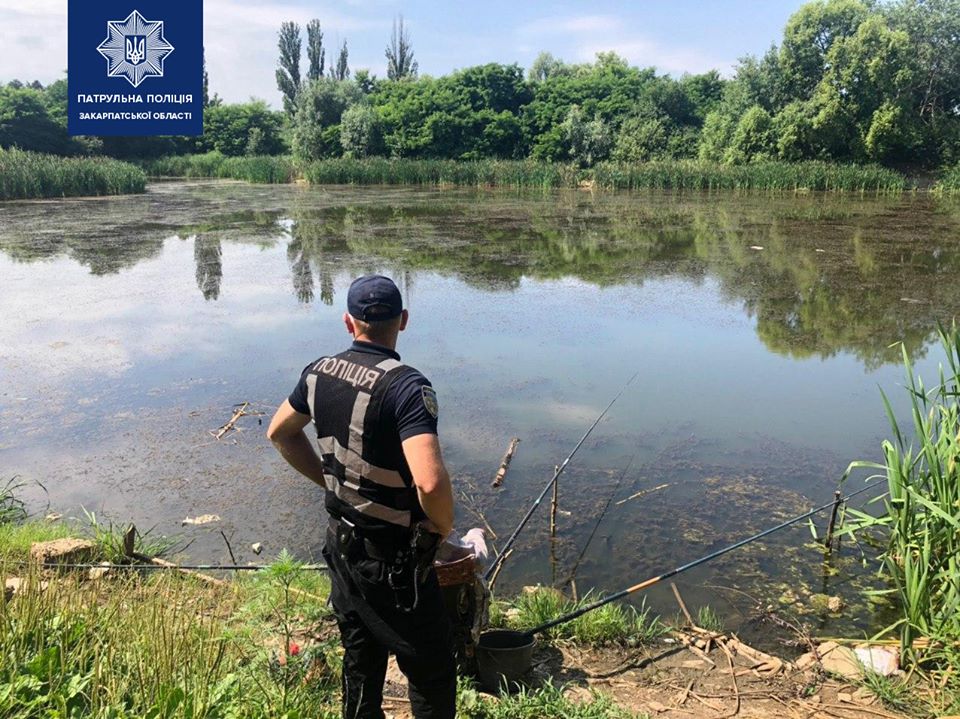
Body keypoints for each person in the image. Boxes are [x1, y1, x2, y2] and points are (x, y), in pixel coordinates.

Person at [267, 274, 457, 719]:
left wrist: (329, 481)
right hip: (396, 565)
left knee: (360, 661)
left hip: (343, 549)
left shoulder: (318, 372)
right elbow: (429, 483)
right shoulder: (407, 387)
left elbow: (280, 433)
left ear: (348, 323)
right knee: (431, 672)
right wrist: (443, 528)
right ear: (403, 321)